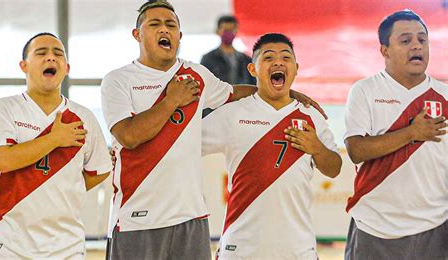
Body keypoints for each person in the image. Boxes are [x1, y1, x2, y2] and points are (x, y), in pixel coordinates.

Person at [101, 2, 325, 260]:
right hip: (137, 219)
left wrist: (285, 93)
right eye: (155, 24)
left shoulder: (196, 73)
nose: (165, 29)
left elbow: (233, 92)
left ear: (180, 36)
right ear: (137, 34)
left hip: (192, 218)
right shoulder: (118, 80)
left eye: (171, 25)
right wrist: (172, 100)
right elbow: (128, 136)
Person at [202, 33, 342, 259]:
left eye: (285, 57)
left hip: (298, 251)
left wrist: (316, 147)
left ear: (295, 68)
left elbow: (334, 168)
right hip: (241, 250)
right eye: (268, 58)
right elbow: (185, 146)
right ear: (252, 70)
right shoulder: (232, 114)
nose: (278, 62)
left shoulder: (312, 116)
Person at [0, 33, 112, 259]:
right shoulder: (5, 108)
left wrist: (64, 186)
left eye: (58, 54)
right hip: (10, 243)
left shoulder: (84, 116)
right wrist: (55, 139)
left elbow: (99, 170)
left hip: (66, 246)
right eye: (41, 53)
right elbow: (4, 160)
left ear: (67, 67)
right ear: (24, 65)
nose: (51, 58)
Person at [343, 10, 447, 260]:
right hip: (375, 226)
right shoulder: (365, 91)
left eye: (422, 40)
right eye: (405, 40)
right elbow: (356, 150)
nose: (416, 46)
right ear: (384, 50)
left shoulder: (445, 94)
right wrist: (412, 132)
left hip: (436, 226)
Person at [200, 15, 255, 85]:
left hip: (243, 96)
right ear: (217, 31)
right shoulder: (208, 59)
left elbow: (253, 85)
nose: (228, 33)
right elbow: (203, 84)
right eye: (225, 30)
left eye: (231, 30)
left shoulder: (246, 60)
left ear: (236, 31)